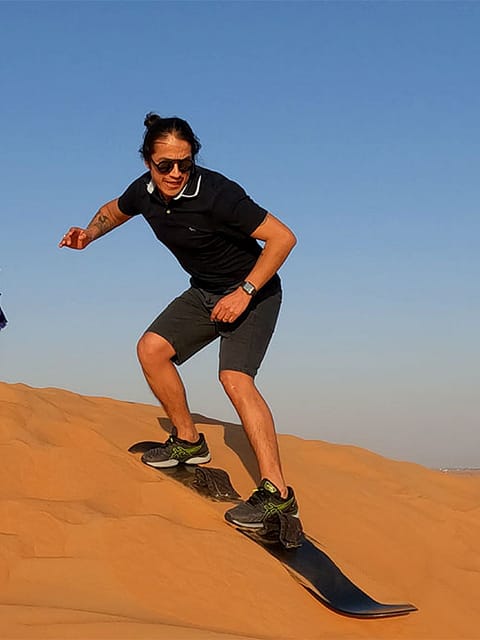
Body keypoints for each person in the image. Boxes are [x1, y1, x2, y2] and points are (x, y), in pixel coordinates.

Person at [59, 113, 298, 529]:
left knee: (235, 379)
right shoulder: (144, 192)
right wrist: (89, 234)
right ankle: (188, 441)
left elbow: (283, 237)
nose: (175, 173)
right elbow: (113, 210)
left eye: (184, 164)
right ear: (147, 162)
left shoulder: (219, 194)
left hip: (253, 292)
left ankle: (277, 494)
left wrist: (244, 292)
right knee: (151, 349)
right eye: (165, 164)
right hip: (205, 291)